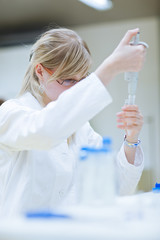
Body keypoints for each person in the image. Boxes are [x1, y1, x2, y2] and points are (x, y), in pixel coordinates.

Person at [0, 27, 146, 216]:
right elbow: (46, 131)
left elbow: (115, 187)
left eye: (82, 80)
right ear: (40, 71)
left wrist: (131, 139)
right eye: (68, 80)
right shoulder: (11, 113)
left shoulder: (81, 128)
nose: (76, 89)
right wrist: (111, 67)